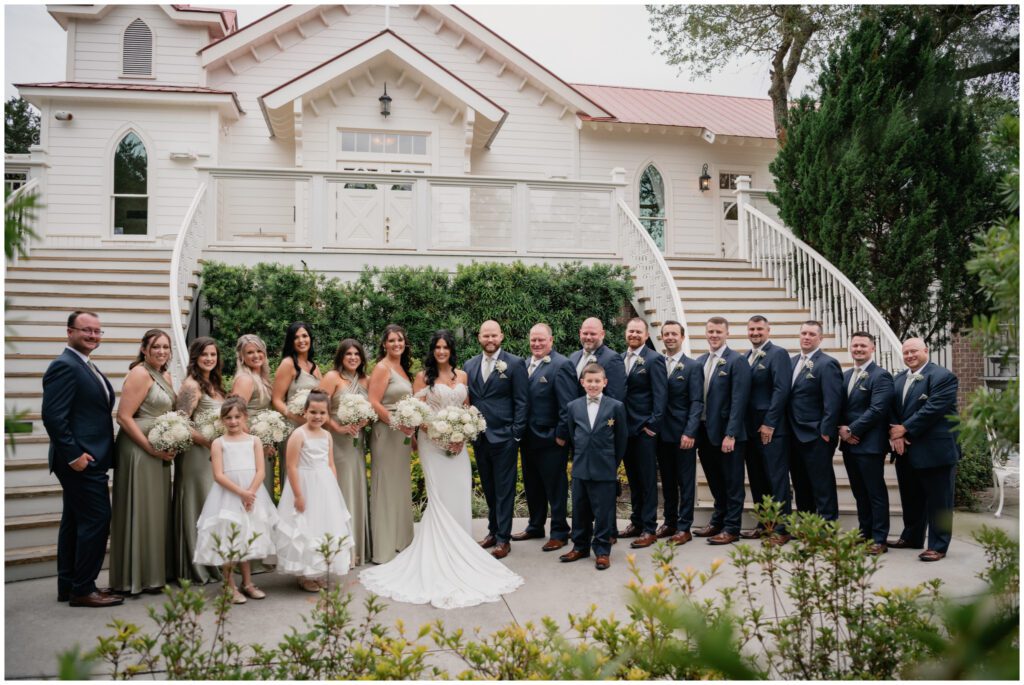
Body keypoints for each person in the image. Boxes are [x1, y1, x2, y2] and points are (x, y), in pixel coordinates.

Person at [360, 331, 524, 608]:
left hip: (458, 446)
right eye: (436, 347)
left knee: (459, 492)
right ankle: (439, 553)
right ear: (432, 350)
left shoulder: (462, 376)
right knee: (439, 497)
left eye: (445, 347)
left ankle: (461, 548)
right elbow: (417, 412)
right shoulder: (423, 377)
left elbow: (467, 409)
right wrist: (437, 434)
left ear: (451, 350)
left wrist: (462, 435)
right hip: (431, 443)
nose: (441, 351)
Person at [41, 311, 123, 607]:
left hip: (89, 456)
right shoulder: (64, 366)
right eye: (86, 330)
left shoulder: (84, 364)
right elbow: (53, 417)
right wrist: (74, 455)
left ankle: (69, 584)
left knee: (75, 521)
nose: (93, 335)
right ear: (69, 331)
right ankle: (84, 589)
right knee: (97, 519)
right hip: (80, 460)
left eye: (98, 331)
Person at [110, 329, 176, 595]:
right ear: (144, 349)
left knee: (156, 511)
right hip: (138, 450)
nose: (162, 351)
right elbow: (123, 417)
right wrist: (150, 448)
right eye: (156, 347)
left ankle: (153, 574)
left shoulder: (166, 375)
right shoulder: (139, 373)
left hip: (158, 450)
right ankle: (132, 578)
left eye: (166, 347)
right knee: (140, 509)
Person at [193, 396, 278, 603]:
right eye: (228, 417)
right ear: (222, 420)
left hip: (252, 493)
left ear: (245, 417)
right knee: (228, 539)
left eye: (237, 417)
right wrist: (241, 493)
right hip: (228, 495)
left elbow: (260, 471)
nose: (233, 421)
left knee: (246, 537)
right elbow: (218, 475)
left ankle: (247, 583)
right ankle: (229, 585)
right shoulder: (218, 443)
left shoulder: (254, 441)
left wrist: (250, 493)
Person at [275, 390, 355, 590]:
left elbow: (330, 463)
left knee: (322, 525)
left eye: (322, 413)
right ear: (305, 412)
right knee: (306, 526)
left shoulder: (327, 435)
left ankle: (317, 570)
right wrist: (298, 494)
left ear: (328, 414)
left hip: (324, 485)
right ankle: (304, 575)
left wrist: (333, 488)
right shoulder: (298, 434)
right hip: (305, 485)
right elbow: (291, 466)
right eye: (313, 412)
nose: (317, 417)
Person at [888, 338, 959, 562]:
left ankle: (938, 545)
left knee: (939, 501)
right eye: (906, 352)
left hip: (935, 449)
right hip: (906, 449)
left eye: (914, 351)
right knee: (911, 497)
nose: (909, 355)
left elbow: (934, 408)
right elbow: (891, 408)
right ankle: (912, 536)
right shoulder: (898, 378)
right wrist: (894, 433)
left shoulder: (943, 377)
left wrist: (905, 429)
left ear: (926, 351)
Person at [463, 320, 529, 559]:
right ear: (479, 337)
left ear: (501, 336)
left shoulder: (514, 363)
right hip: (480, 438)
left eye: (494, 335)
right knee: (489, 488)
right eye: (485, 336)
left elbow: (522, 400)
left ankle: (503, 539)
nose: (489, 340)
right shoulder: (469, 365)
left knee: (504, 490)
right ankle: (492, 531)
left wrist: (516, 433)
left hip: (505, 438)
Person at [513, 323, 576, 551]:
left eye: (541, 340)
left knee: (555, 486)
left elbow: (568, 404)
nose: (537, 344)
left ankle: (560, 531)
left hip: (551, 440)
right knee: (533, 485)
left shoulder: (562, 365)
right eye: (533, 340)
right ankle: (535, 525)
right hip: (528, 438)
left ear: (551, 340)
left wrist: (561, 435)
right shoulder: (523, 364)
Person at [559, 364, 628, 571]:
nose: (593, 385)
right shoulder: (573, 406)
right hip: (581, 466)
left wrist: (612, 463)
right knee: (580, 510)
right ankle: (580, 546)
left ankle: (602, 551)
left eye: (597, 381)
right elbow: (573, 435)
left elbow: (621, 439)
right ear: (582, 383)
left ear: (604, 382)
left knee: (604, 512)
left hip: (604, 467)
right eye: (589, 381)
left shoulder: (616, 406)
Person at [693, 317, 751, 545]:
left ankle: (732, 527)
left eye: (718, 331)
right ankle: (718, 520)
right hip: (705, 431)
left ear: (727, 333)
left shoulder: (736, 361)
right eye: (710, 331)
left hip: (728, 434)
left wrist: (732, 434)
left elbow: (740, 400)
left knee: (732, 482)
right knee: (715, 480)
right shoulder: (700, 361)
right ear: (705, 334)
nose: (714, 335)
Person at [173, 337, 226, 585]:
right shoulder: (191, 385)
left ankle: (215, 562)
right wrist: (208, 441)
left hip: (213, 453)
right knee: (199, 504)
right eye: (204, 354)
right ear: (195, 358)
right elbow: (180, 421)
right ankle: (197, 566)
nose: (209, 359)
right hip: (196, 454)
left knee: (212, 506)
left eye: (213, 355)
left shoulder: (214, 384)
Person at [838, 332, 895, 555]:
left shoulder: (881, 376)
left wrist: (852, 429)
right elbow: (839, 407)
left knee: (875, 492)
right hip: (849, 444)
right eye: (855, 345)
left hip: (870, 445)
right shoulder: (846, 375)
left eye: (863, 345)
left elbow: (878, 409)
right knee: (859, 492)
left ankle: (880, 539)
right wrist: (841, 429)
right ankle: (865, 533)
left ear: (873, 348)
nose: (858, 349)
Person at [741, 316, 792, 542]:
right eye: (752, 329)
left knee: (776, 478)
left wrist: (770, 423)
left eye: (759, 329)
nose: (755, 332)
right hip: (750, 428)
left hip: (771, 428)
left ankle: (782, 528)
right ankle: (764, 523)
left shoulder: (778, 354)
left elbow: (781, 390)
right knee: (758, 478)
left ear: (768, 331)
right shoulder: (746, 357)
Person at [321, 338, 372, 567]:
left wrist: (364, 420)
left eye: (356, 354)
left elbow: (372, 409)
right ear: (341, 357)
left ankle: (357, 548)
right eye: (348, 354)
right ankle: (341, 551)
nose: (352, 357)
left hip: (357, 440)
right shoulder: (332, 378)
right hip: (337, 441)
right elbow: (318, 408)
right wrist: (338, 427)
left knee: (356, 487)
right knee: (341, 490)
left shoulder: (366, 380)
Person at [367, 324, 415, 563]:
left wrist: (412, 433)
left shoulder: (403, 368)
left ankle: (401, 540)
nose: (397, 344)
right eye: (392, 340)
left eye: (400, 340)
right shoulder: (382, 368)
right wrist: (396, 423)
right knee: (385, 485)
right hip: (386, 432)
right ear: (384, 344)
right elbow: (374, 402)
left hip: (403, 435)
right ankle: (383, 548)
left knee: (399, 485)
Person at [617, 318, 667, 549]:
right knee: (634, 479)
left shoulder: (654, 359)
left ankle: (649, 527)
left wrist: (653, 426)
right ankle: (636, 522)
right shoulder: (620, 359)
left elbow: (660, 395)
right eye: (631, 331)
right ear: (626, 334)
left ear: (646, 336)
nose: (634, 334)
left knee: (647, 480)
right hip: (625, 430)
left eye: (638, 331)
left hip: (644, 430)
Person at [787, 321, 844, 522]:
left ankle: (828, 524)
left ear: (820, 338)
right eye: (803, 333)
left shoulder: (827, 363)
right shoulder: (792, 362)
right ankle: (807, 524)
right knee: (800, 483)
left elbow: (833, 400)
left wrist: (826, 431)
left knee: (822, 483)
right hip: (793, 434)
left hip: (816, 435)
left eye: (812, 334)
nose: (807, 337)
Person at [655, 321, 704, 546]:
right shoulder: (657, 363)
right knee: (667, 480)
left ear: (682, 337)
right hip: (660, 434)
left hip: (684, 434)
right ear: (661, 337)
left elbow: (696, 402)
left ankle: (685, 527)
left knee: (685, 482)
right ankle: (670, 522)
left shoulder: (693, 367)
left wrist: (690, 432)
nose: (670, 337)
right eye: (666, 334)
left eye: (674, 334)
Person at [271, 322, 323, 488]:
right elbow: (277, 399)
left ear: (310, 338)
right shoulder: (287, 364)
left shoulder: (314, 367)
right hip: (294, 428)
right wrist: (294, 417)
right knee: (296, 476)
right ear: (291, 342)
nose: (301, 340)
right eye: (296, 337)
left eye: (305, 336)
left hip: (313, 428)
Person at [230, 334, 276, 497]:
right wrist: (257, 444)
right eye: (250, 352)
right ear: (241, 357)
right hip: (251, 447)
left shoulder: (261, 378)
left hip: (262, 443)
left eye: (259, 351)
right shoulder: (245, 380)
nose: (256, 355)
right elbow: (235, 416)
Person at [568, 317, 626, 401]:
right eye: (585, 333)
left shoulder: (612, 359)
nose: (588, 337)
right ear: (580, 333)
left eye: (592, 334)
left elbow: (616, 397)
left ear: (602, 334)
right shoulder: (573, 357)